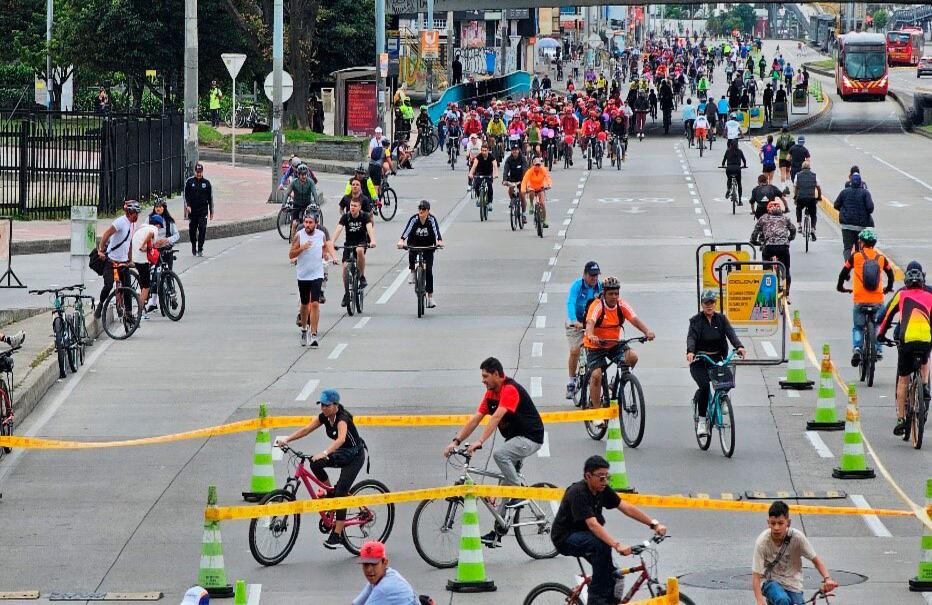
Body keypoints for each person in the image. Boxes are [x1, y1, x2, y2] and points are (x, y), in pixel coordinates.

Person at [443, 357, 545, 547]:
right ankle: (498, 531)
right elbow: (476, 419)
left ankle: (518, 494)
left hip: (530, 438)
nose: (483, 380)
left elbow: (497, 416)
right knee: (504, 482)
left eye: (485, 376)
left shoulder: (509, 389)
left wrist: (480, 442)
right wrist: (455, 442)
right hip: (514, 439)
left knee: (500, 455)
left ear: (497, 374)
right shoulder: (490, 394)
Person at [550, 455, 667, 605]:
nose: (605, 481)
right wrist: (617, 545)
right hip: (565, 538)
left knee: (614, 575)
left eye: (607, 477)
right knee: (601, 545)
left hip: (587, 536)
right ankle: (596, 600)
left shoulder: (602, 489)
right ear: (588, 476)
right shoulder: (578, 492)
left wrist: (654, 524)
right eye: (601, 477)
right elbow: (593, 525)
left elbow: (625, 507)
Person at [276, 389, 366, 549]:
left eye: (326, 405)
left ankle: (337, 535)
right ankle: (331, 492)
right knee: (315, 463)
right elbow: (306, 430)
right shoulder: (324, 417)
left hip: (354, 457)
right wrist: (287, 439)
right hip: (342, 453)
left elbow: (341, 439)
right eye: (321, 405)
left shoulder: (342, 419)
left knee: (341, 493)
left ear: (336, 405)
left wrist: (324, 453)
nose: (323, 408)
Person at [583, 276, 655, 426]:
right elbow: (590, 322)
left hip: (614, 344)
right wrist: (590, 335)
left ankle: (614, 384)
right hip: (595, 345)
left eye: (616, 293)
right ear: (604, 293)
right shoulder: (597, 305)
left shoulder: (621, 305)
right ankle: (596, 413)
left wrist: (647, 331)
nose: (614, 297)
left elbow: (634, 319)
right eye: (611, 294)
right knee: (596, 375)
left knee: (632, 357)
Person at [878, 261, 932, 435]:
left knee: (903, 379)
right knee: (926, 357)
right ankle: (924, 386)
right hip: (925, 339)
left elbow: (886, 317)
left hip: (906, 341)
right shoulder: (930, 295)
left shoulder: (901, 295)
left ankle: (901, 419)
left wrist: (880, 335)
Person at [752, 501, 837, 605]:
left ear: (788, 523)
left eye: (780, 523)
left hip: (793, 584)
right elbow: (756, 577)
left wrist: (827, 579)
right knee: (782, 600)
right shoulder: (762, 542)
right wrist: (760, 601)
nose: (776, 528)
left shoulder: (797, 538)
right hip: (771, 582)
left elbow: (816, 561)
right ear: (768, 523)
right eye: (773, 523)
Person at [687, 289, 746, 437]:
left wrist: (739, 346)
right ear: (701, 304)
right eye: (706, 303)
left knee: (727, 380)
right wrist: (690, 351)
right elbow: (691, 337)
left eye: (712, 302)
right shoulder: (696, 321)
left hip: (717, 359)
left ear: (715, 304)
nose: (709, 305)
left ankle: (722, 399)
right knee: (705, 387)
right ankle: (701, 421)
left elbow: (731, 333)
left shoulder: (721, 319)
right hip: (700, 361)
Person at [836, 228, 895, 367]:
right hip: (877, 300)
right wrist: (888, 288)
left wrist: (840, 287)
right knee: (878, 324)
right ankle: (878, 350)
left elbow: (843, 274)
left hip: (860, 299)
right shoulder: (880, 258)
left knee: (858, 327)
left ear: (861, 243)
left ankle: (857, 348)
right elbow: (891, 274)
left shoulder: (855, 257)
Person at [290, 209, 336, 348]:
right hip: (303, 274)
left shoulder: (321, 235)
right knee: (304, 305)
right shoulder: (299, 235)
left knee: (315, 303)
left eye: (310, 223)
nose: (307, 225)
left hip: (317, 273)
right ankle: (304, 329)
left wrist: (328, 255)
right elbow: (291, 254)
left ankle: (313, 334)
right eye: (306, 222)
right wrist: (301, 248)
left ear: (316, 224)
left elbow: (324, 248)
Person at [94, 201, 138, 318]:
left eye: (137, 213)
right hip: (111, 260)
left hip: (123, 262)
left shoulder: (132, 224)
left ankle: (128, 314)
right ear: (128, 212)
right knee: (108, 285)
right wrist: (101, 250)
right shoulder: (120, 222)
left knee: (127, 288)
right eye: (134, 213)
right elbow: (106, 234)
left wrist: (130, 260)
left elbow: (129, 243)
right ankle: (101, 304)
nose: (136, 216)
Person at [566, 261, 603, 399]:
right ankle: (572, 380)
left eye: (596, 276)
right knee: (575, 350)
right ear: (584, 275)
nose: (594, 278)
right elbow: (571, 302)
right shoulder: (577, 286)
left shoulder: (600, 287)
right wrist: (574, 320)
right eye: (591, 275)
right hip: (577, 322)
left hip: (591, 323)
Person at [397, 200, 443, 309]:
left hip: (428, 245)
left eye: (424, 209)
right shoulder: (414, 219)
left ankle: (430, 297)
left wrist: (439, 241)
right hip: (415, 242)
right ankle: (413, 271)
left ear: (428, 211)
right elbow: (407, 230)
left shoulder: (431, 219)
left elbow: (437, 231)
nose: (421, 211)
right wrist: (401, 240)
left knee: (429, 271)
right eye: (420, 209)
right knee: (412, 253)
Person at [332, 196, 377, 306]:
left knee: (360, 250)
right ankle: (347, 293)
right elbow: (338, 229)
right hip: (349, 244)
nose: (352, 207)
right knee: (344, 268)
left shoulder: (364, 216)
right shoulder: (346, 217)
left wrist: (372, 240)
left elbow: (369, 228)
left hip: (361, 242)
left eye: (355, 206)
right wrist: (332, 241)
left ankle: (361, 276)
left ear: (359, 207)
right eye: (351, 205)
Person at [752, 201, 796, 301]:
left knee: (766, 270)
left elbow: (755, 232)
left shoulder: (763, 218)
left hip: (769, 247)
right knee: (786, 270)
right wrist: (789, 239)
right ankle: (787, 294)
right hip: (783, 247)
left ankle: (768, 292)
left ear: (768, 210)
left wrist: (754, 241)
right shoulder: (785, 218)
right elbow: (793, 230)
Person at [353, 541, 418, 605]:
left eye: (374, 564)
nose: (369, 570)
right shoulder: (384, 574)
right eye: (365, 564)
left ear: (385, 562)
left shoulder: (384, 588)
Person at [833, 173, 874, 260]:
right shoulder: (865, 193)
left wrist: (844, 211)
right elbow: (870, 208)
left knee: (847, 248)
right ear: (860, 183)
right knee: (860, 248)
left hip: (847, 225)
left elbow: (836, 205)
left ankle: (847, 267)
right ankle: (859, 266)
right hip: (860, 226)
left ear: (850, 182)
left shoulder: (844, 192)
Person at [131, 214, 160, 320]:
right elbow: (151, 234)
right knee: (146, 286)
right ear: (158, 225)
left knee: (144, 280)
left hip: (136, 257)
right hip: (141, 259)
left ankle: (142, 299)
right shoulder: (153, 229)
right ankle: (140, 310)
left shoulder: (143, 227)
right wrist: (143, 245)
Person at [183, 162, 213, 257]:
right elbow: (186, 195)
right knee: (192, 229)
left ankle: (200, 247)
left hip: (203, 210)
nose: (198, 174)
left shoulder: (207, 183)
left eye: (200, 172)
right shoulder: (189, 182)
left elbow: (210, 198)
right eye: (197, 172)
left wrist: (211, 211)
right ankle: (193, 245)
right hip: (193, 210)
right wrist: (188, 205)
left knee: (202, 228)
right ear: (194, 171)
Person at [284, 163, 319, 240]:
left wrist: (317, 204)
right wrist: (283, 205)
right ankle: (293, 242)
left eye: (305, 174)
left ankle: (312, 237)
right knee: (294, 224)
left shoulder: (310, 182)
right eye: (302, 175)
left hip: (307, 204)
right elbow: (287, 193)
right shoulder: (294, 182)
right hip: (296, 204)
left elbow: (314, 193)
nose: (304, 176)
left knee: (308, 222)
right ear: (298, 175)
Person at [792, 160, 821, 241]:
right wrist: (819, 197)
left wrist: (795, 197)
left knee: (798, 209)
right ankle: (812, 229)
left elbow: (796, 187)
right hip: (811, 198)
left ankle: (800, 225)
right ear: (809, 168)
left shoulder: (798, 175)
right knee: (813, 214)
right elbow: (818, 188)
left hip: (801, 198)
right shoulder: (814, 176)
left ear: (802, 168)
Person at [520, 157, 552, 228]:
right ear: (533, 165)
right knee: (531, 191)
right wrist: (523, 190)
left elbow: (548, 177)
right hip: (532, 187)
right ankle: (531, 204)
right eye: (536, 165)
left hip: (541, 188)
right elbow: (524, 181)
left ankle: (544, 221)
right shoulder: (530, 171)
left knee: (543, 203)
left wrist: (549, 184)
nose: (537, 166)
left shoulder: (543, 169)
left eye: (539, 165)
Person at [467, 142, 498, 213]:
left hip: (488, 174)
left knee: (489, 186)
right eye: (482, 150)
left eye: (485, 150)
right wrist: (471, 173)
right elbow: (474, 166)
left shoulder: (491, 156)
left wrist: (495, 174)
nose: (484, 152)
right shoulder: (478, 157)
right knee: (476, 185)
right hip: (480, 173)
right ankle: (479, 197)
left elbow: (495, 165)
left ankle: (490, 202)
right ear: (481, 150)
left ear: (488, 150)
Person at [501, 145, 528, 221]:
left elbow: (525, 170)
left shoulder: (522, 159)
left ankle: (523, 214)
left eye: (516, 150)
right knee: (510, 190)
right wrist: (504, 180)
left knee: (522, 195)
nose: (514, 151)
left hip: (521, 178)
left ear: (518, 150)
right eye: (513, 150)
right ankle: (513, 201)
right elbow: (506, 170)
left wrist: (524, 181)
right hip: (512, 179)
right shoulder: (509, 159)